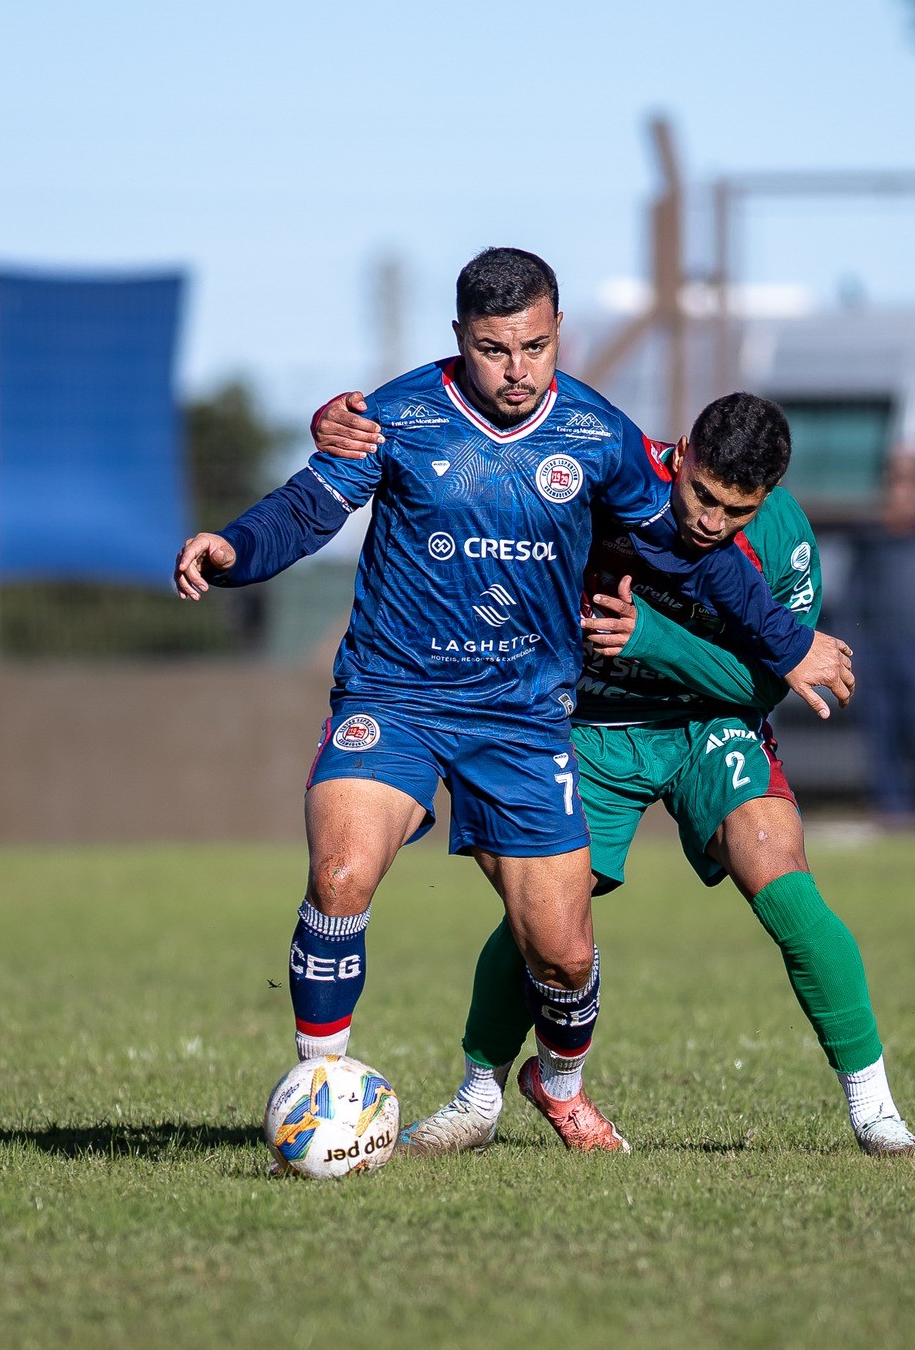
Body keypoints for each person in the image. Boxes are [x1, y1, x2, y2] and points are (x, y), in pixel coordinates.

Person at [175, 249, 855, 1153]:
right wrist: (234, 549)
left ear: (558, 330)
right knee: (340, 874)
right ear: (460, 337)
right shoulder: (399, 417)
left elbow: (696, 557)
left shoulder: (597, 436)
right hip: (396, 695)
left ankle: (559, 1086)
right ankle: (320, 1094)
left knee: (563, 953)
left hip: (525, 717)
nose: (516, 370)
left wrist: (787, 641)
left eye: (534, 346)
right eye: (494, 350)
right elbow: (309, 507)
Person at [311, 390, 915, 1158]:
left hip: (711, 725)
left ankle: (877, 1114)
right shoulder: (609, 488)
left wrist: (651, 639)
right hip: (594, 730)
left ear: (767, 497)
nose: (711, 521)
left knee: (785, 882)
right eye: (703, 495)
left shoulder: (785, 540)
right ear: (683, 454)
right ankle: (479, 1098)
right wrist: (347, 423)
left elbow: (767, 684)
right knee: (544, 923)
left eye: (736, 510)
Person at [850, 446, 915, 820]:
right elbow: (853, 596)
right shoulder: (870, 536)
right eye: (896, 483)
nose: (902, 493)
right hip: (877, 647)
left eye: (911, 484)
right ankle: (893, 812)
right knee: (883, 735)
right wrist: (853, 650)